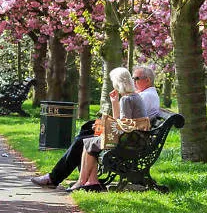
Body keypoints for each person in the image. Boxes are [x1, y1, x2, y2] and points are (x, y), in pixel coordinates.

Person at [30, 64, 161, 189]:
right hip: (131, 136)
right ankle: (86, 180)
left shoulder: (138, 97)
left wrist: (106, 125)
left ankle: (66, 179)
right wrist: (114, 104)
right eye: (132, 78)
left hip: (130, 140)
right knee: (84, 135)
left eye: (136, 78)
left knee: (82, 142)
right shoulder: (136, 96)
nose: (134, 81)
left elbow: (124, 124)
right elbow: (123, 121)